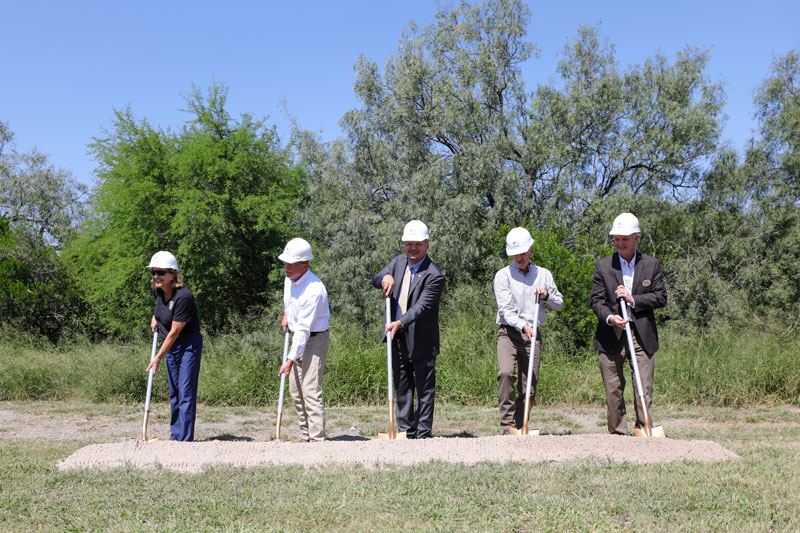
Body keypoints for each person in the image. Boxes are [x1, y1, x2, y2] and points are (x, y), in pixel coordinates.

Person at [590, 213, 668, 435]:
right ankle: (618, 434)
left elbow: (661, 297)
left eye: (625, 239)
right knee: (613, 388)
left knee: (643, 384)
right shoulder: (603, 266)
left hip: (641, 333)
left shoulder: (652, 265)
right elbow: (596, 301)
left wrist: (634, 299)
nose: (620, 243)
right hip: (612, 333)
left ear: (636, 238)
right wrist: (610, 317)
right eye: (616, 239)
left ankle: (644, 428)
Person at [372, 220, 445, 439]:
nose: (412, 248)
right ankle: (405, 430)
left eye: (417, 244)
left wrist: (400, 322)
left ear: (427, 245)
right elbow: (376, 279)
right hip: (397, 338)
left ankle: (422, 433)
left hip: (422, 339)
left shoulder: (434, 275)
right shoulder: (397, 263)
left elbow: (421, 307)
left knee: (424, 389)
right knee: (402, 386)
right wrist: (384, 277)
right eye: (408, 244)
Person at [493, 227, 563, 435]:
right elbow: (505, 310)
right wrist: (523, 325)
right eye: (515, 253)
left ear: (531, 250)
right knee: (506, 373)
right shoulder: (503, 276)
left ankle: (521, 424)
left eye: (523, 252)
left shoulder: (544, 274)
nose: (519, 257)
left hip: (533, 334)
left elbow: (559, 303)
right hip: (509, 331)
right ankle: (507, 425)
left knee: (529, 384)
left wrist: (546, 296)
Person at [145, 251, 203, 442]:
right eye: (153, 272)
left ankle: (184, 439)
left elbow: (174, 332)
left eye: (160, 272)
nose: (156, 277)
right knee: (174, 392)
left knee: (185, 391)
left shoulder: (183, 297)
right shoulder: (158, 291)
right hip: (172, 347)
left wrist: (158, 358)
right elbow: (161, 308)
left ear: (172, 274)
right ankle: (175, 435)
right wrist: (156, 317)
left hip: (187, 346)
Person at [277, 238, 330, 443]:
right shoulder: (289, 279)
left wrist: (289, 360)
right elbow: (291, 303)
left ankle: (317, 438)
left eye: (291, 263)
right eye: (285, 263)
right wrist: (287, 313)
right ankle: (305, 435)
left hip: (314, 339)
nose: (286, 267)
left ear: (305, 265)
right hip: (300, 334)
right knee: (295, 389)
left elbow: (303, 331)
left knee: (309, 388)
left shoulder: (314, 290)